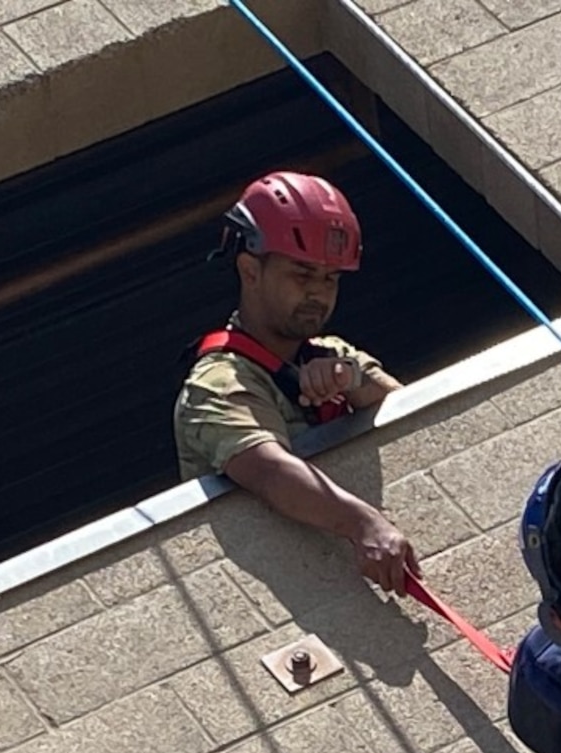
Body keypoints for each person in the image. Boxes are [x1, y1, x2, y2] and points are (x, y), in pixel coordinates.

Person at [174, 171, 415, 593]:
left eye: (330, 279)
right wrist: (364, 523)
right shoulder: (216, 382)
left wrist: (350, 378)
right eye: (302, 275)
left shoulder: (331, 349)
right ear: (250, 270)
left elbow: (415, 413)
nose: (318, 294)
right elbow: (269, 471)